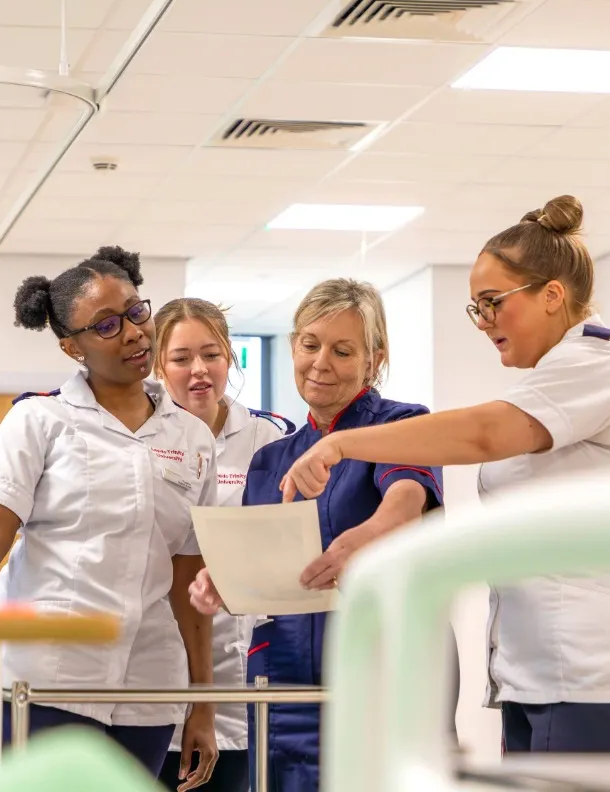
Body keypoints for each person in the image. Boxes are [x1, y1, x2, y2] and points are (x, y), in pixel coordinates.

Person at [278, 196, 610, 755]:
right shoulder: (548, 383)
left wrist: (342, 444)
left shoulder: (599, 365)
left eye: (493, 302)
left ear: (552, 296)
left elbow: (480, 435)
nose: (484, 320)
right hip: (555, 673)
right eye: (476, 308)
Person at [0, 246, 219, 788]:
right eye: (107, 326)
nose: (135, 333)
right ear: (73, 347)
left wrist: (201, 701)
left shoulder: (191, 437)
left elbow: (189, 575)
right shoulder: (39, 420)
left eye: (137, 312)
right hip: (46, 677)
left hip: (147, 687)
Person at [189, 279, 446, 791]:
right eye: (310, 345)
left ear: (374, 359)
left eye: (342, 350)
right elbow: (257, 561)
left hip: (373, 676)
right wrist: (220, 581)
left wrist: (360, 539)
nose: (320, 362)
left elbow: (406, 502)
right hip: (281, 682)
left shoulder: (401, 426)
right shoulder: (272, 459)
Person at [153, 297, 295, 792]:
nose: (199, 371)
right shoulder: (141, 437)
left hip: (242, 665)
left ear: (231, 356)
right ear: (157, 364)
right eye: (180, 358)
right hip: (159, 660)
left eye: (212, 355)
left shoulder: (269, 438)